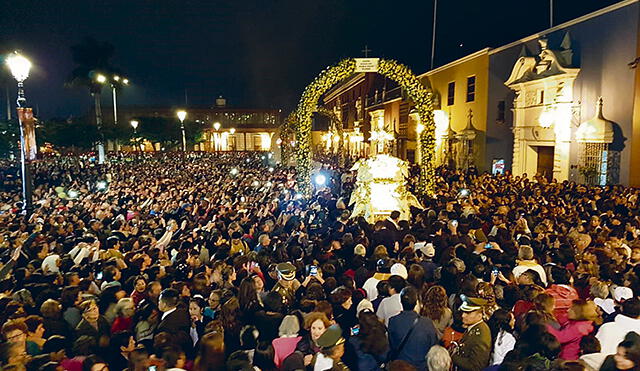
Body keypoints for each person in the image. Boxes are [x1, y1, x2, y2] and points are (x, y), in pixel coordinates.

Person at [388, 286, 438, 370]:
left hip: (400, 367)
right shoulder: (427, 323)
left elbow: (392, 345)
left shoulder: (393, 321)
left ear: (401, 302)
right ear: (416, 302)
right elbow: (433, 347)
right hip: (421, 367)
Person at [451, 296, 492, 371]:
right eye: (463, 312)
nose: (463, 315)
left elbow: (476, 366)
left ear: (479, 315)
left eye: (468, 313)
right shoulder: (473, 327)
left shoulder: (481, 335)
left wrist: (453, 356)